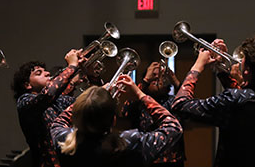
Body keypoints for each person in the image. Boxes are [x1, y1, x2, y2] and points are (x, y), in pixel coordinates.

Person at [172, 34, 255, 167]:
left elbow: (180, 105)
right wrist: (220, 67)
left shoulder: (235, 99)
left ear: (247, 71)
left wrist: (198, 66)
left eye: (244, 58)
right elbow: (243, 98)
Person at [50, 74, 183, 167]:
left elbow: (58, 122)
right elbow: (174, 128)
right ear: (114, 119)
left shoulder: (64, 140)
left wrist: (91, 97)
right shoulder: (130, 142)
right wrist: (140, 94)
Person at [11, 49, 83, 167]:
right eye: (39, 73)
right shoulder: (24, 101)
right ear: (27, 85)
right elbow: (47, 95)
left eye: (45, 71)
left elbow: (85, 105)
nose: (48, 73)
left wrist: (91, 76)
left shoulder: (58, 100)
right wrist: (72, 66)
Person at [123, 61, 185, 167]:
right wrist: (146, 80)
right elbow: (126, 110)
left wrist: (174, 79)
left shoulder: (172, 101)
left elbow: (188, 106)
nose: (156, 79)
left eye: (160, 77)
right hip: (145, 157)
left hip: (172, 159)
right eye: (153, 76)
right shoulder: (139, 102)